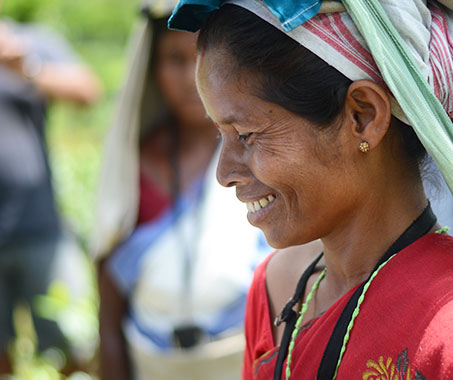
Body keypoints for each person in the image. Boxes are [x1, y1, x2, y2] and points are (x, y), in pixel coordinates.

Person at [168, 0, 453, 378]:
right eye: (219, 135)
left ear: (363, 115)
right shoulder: (277, 292)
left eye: (246, 134)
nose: (223, 172)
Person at [93, 2, 269, 379]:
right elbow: (109, 297)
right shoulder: (134, 166)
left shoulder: (265, 157)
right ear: (153, 70)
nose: (193, 76)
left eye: (202, 56)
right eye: (174, 59)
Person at [0, 8, 101, 374]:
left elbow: (87, 90)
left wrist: (24, 67)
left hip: (41, 228)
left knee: (72, 345)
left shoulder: (29, 43)